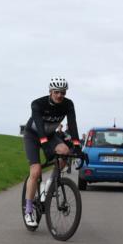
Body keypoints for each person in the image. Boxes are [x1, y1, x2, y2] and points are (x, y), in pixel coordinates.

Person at [22, 77, 80, 226]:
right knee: (35, 172)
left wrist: (77, 147)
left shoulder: (68, 104)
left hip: (50, 135)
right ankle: (28, 210)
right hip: (34, 135)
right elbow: (39, 126)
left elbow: (72, 125)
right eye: (56, 92)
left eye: (63, 92)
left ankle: (49, 185)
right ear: (50, 92)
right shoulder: (38, 103)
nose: (60, 95)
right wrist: (45, 145)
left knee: (65, 152)